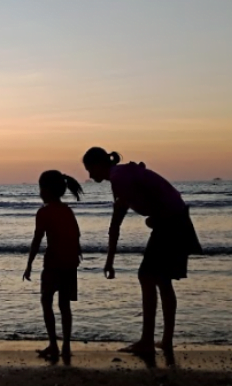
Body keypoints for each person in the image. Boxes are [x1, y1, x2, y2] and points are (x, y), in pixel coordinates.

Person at [82, 146, 202, 368]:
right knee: (161, 280)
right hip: (175, 220)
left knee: (147, 276)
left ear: (100, 165)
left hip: (172, 221)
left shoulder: (119, 178)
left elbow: (121, 217)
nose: (89, 175)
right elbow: (117, 221)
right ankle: (164, 341)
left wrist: (153, 220)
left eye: (90, 169)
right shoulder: (120, 177)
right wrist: (110, 260)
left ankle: (148, 341)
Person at [22, 170, 84, 364]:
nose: (39, 192)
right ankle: (65, 345)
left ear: (47, 190)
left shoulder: (44, 212)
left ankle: (53, 344)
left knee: (46, 301)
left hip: (53, 264)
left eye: (40, 188)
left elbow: (37, 239)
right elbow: (76, 234)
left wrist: (29, 264)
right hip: (70, 263)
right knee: (64, 306)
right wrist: (76, 254)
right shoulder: (67, 210)